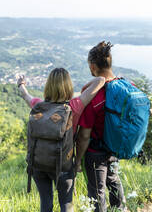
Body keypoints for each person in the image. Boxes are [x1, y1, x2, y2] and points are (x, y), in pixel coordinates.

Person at [17, 68, 105, 212]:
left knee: (45, 204)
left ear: (48, 86)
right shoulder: (74, 106)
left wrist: (21, 84)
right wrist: (77, 163)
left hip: (38, 164)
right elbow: (100, 81)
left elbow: (25, 95)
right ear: (68, 86)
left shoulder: (38, 106)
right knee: (66, 204)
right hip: (63, 166)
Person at [76, 42, 126, 212]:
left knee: (97, 192)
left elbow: (84, 136)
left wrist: (77, 160)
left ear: (92, 66)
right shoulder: (126, 88)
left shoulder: (94, 97)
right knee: (113, 180)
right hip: (116, 148)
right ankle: (120, 209)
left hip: (95, 152)